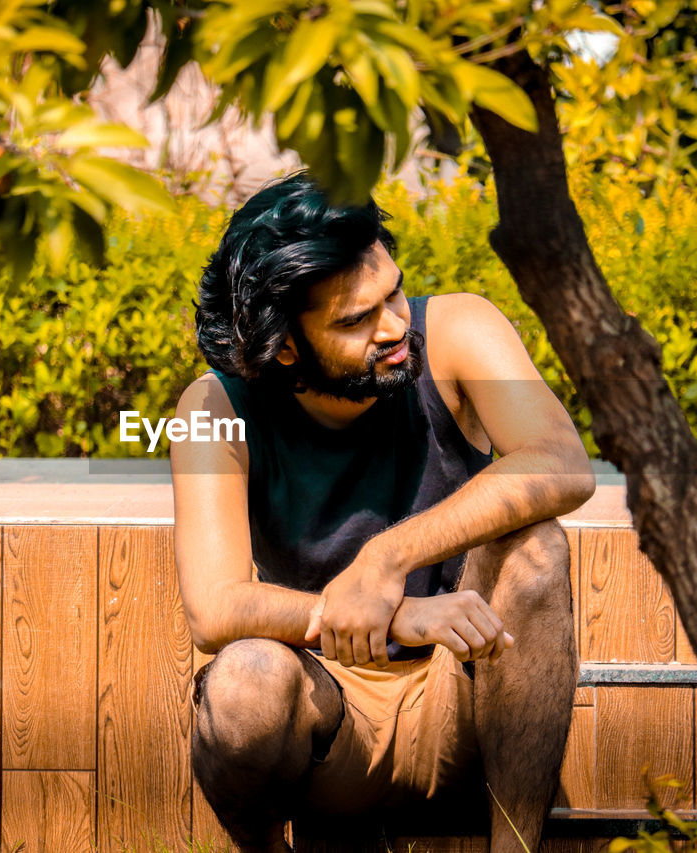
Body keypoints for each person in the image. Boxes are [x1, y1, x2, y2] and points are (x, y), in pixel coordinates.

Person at [171, 173, 595, 853]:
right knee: (244, 681)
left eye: (393, 291)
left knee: (536, 545)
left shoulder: (459, 327)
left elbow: (562, 462)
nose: (396, 325)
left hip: (471, 694)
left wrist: (386, 559)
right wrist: (397, 613)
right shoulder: (209, 410)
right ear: (285, 346)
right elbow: (214, 607)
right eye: (355, 319)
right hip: (327, 714)